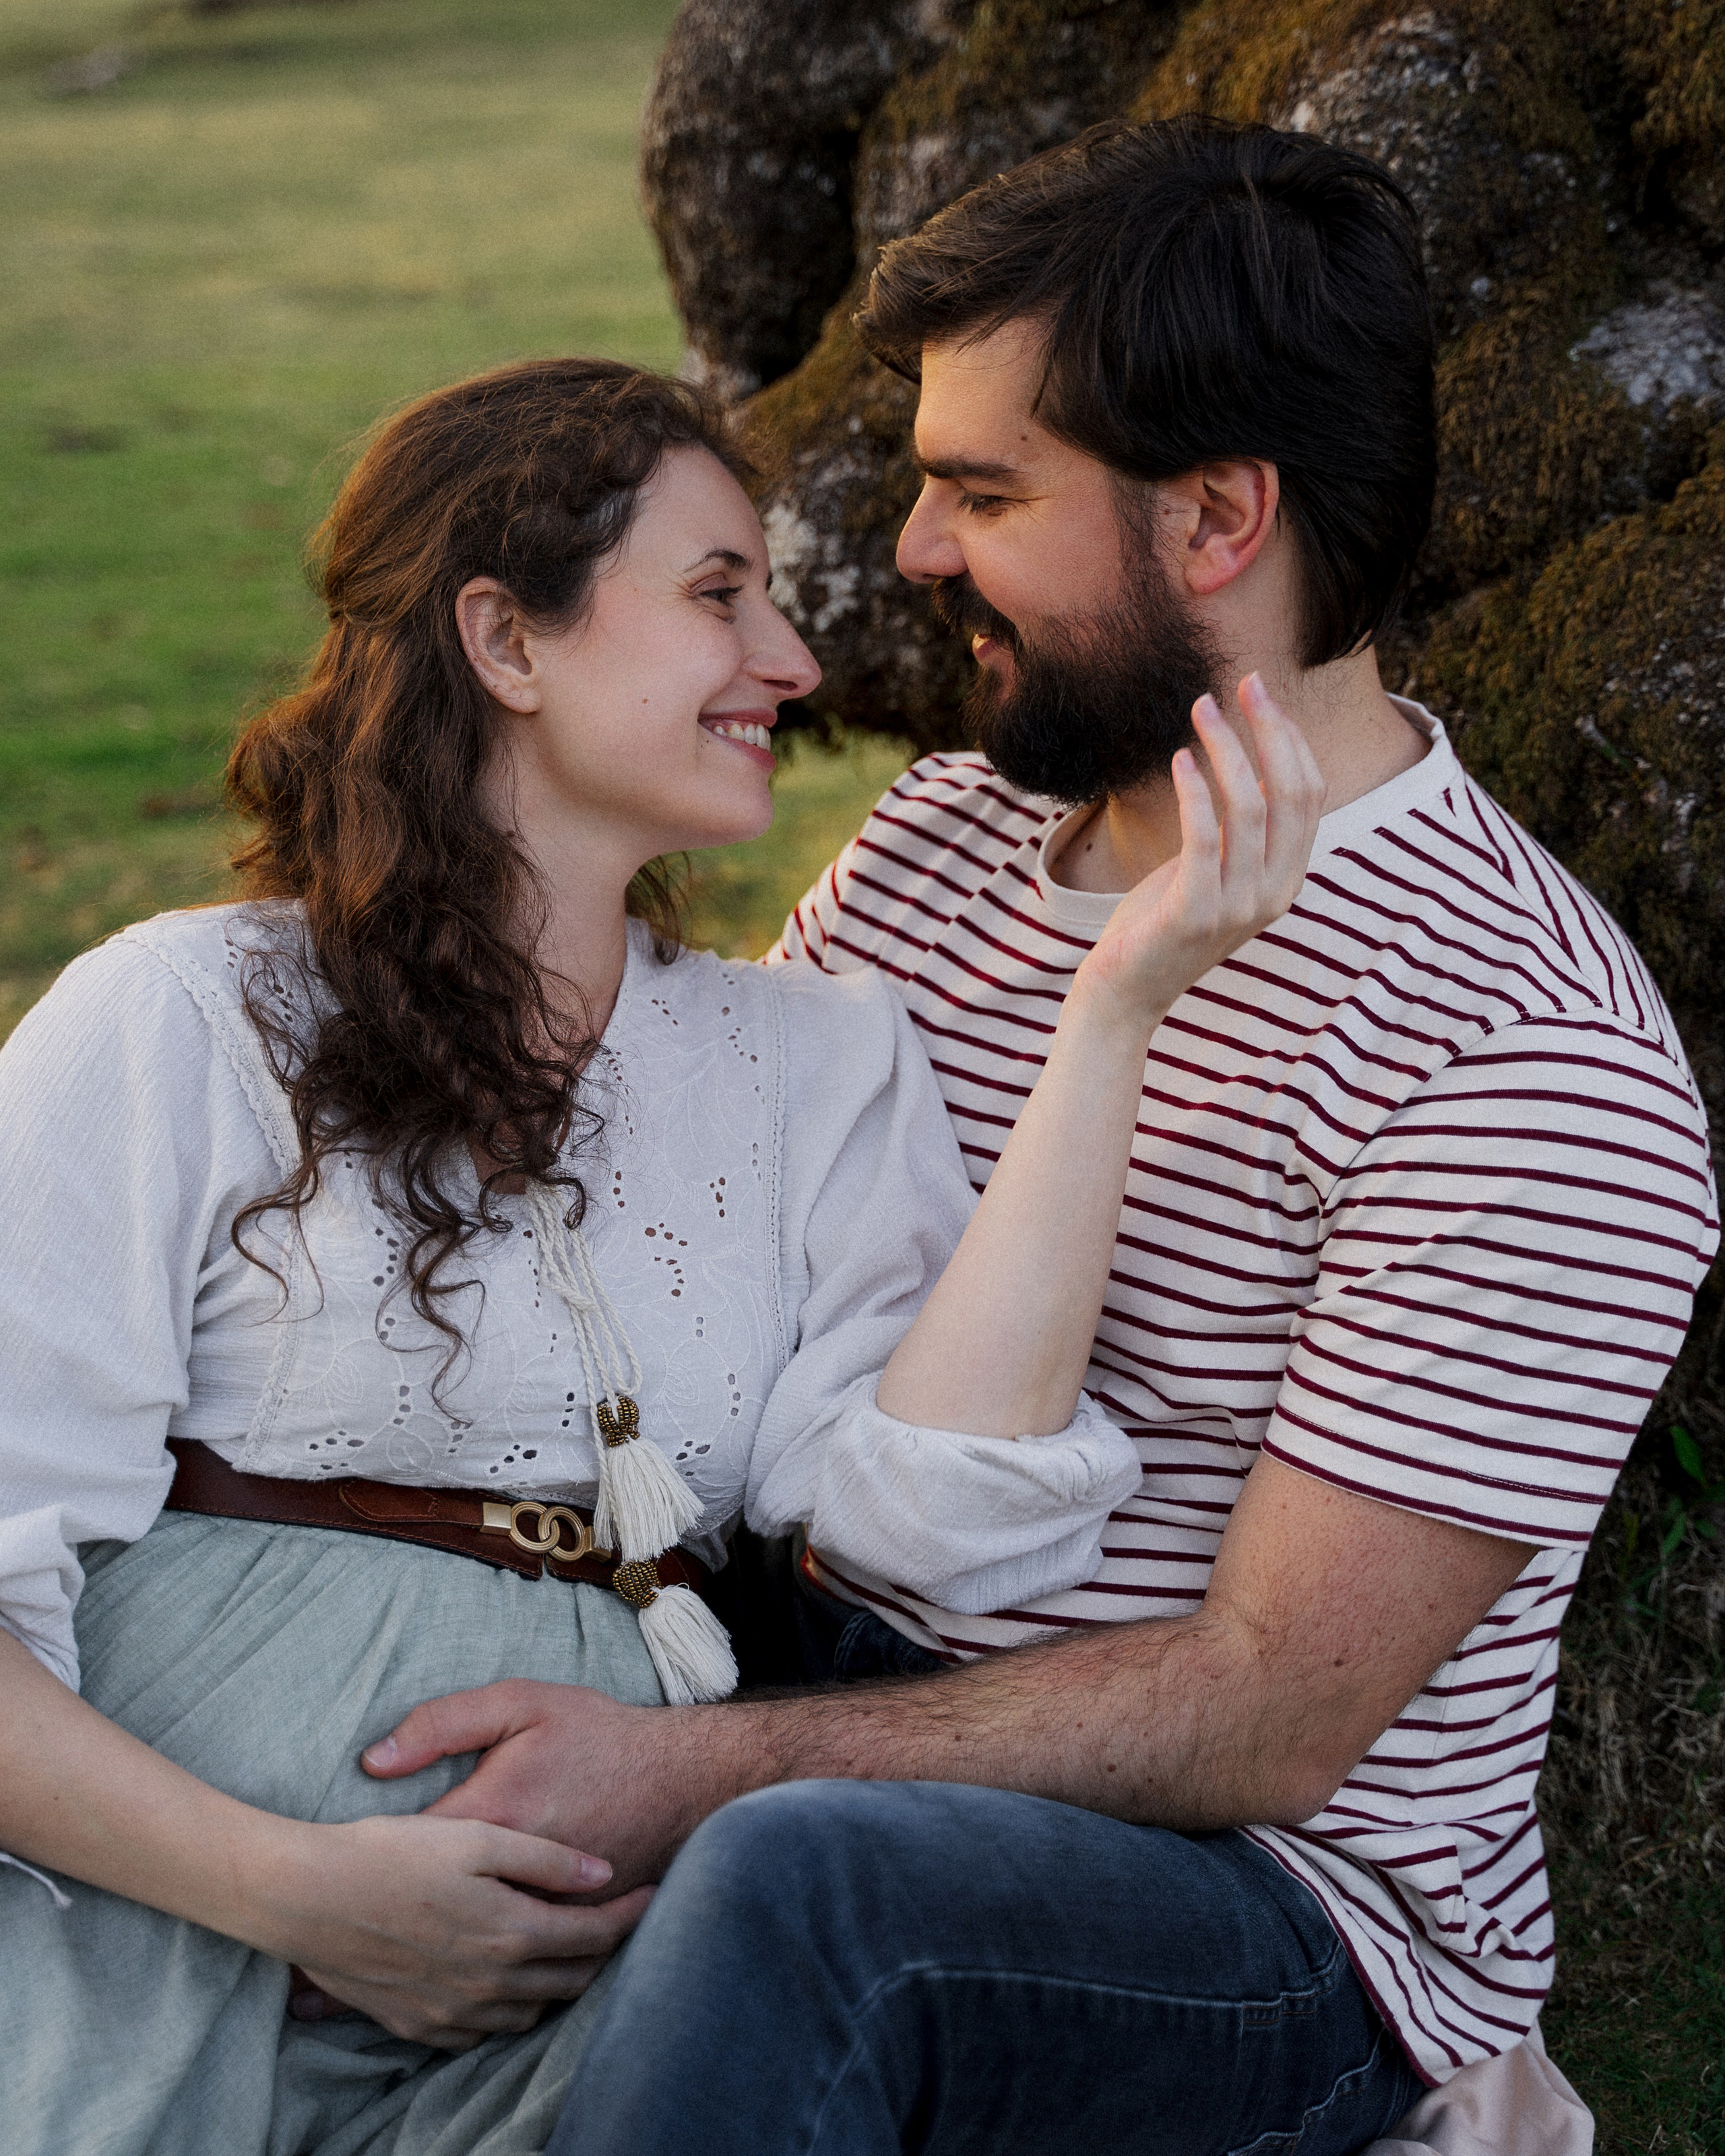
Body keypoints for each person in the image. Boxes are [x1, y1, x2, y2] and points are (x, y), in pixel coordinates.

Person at [354, 119, 1719, 2156]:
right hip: (800, 1652)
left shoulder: (1526, 1059)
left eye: (985, 491)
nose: (910, 550)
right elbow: (652, 1207)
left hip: (1269, 1910)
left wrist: (680, 1775)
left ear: (1221, 518)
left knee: (805, 1893)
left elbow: (1271, 1711)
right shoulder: (946, 840)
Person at [0, 354, 1320, 2154]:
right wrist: (300, 1894)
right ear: (507, 639)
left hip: (579, 1981)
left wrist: (1117, 1016)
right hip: (166, 1951)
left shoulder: (818, 1058)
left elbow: (921, 1513)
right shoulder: (180, 1019)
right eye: (720, 595)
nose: (791, 662)